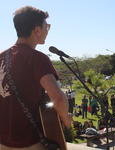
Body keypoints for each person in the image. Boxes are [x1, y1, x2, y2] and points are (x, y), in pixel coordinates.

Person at [0, 6, 72, 150]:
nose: (48, 30)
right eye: (47, 26)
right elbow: (58, 97)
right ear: (37, 30)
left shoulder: (1, 56)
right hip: (29, 142)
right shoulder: (38, 59)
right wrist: (66, 120)